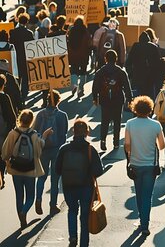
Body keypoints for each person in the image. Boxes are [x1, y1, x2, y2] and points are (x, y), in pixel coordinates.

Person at [55, 119, 104, 247]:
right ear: (87, 133)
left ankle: (72, 237)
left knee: (72, 211)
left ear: (73, 131)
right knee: (85, 215)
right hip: (86, 186)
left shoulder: (64, 148)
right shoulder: (90, 149)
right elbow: (98, 170)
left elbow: (57, 169)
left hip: (69, 185)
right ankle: (84, 242)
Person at [1, 109, 52, 229]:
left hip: (15, 170)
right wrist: (44, 136)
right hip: (30, 170)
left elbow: (5, 151)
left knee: (19, 195)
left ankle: (21, 219)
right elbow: (38, 151)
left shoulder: (13, 133)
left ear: (20, 119)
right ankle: (24, 212)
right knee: (30, 196)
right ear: (31, 121)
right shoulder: (33, 135)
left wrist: (6, 159)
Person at [124, 96, 165, 236]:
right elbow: (162, 146)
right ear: (150, 109)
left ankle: (142, 220)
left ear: (135, 109)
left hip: (135, 163)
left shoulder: (130, 124)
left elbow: (127, 145)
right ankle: (144, 225)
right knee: (147, 196)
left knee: (139, 193)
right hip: (150, 165)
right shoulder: (156, 125)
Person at [33, 89, 68, 215]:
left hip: (43, 149)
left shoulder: (40, 114)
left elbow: (35, 131)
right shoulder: (62, 115)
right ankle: (53, 204)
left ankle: (38, 198)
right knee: (55, 179)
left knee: (41, 177)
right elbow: (64, 133)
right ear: (58, 100)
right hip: (57, 150)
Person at [92, 50, 133, 151]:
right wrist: (129, 99)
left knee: (105, 120)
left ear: (105, 59)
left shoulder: (100, 72)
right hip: (118, 99)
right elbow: (127, 86)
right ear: (116, 59)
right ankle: (116, 143)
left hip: (105, 99)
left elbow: (95, 86)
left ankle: (103, 140)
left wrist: (95, 98)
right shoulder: (121, 72)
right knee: (117, 121)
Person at [126, 32, 162, 98]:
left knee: (136, 96)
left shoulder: (136, 46)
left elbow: (128, 62)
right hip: (149, 77)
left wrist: (131, 73)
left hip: (137, 75)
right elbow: (157, 63)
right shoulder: (153, 47)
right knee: (148, 96)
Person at [67, 16, 92, 98]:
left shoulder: (71, 31)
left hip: (73, 56)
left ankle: (74, 85)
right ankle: (81, 89)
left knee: (74, 71)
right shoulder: (85, 31)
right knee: (83, 72)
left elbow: (68, 42)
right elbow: (89, 43)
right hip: (83, 56)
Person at [0, 74, 17, 188]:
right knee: (2, 155)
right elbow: (12, 117)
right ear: (3, 85)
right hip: (2, 132)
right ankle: (1, 176)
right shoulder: (4, 97)